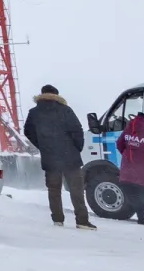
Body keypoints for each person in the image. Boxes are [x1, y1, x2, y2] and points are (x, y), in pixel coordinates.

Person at [23, 84, 94, 229]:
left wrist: (42, 145)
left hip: (50, 157)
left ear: (42, 94)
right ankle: (82, 221)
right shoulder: (65, 110)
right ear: (57, 95)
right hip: (70, 156)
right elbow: (77, 130)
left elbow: (28, 131)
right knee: (76, 190)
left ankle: (57, 219)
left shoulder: (34, 112)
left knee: (54, 190)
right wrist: (76, 148)